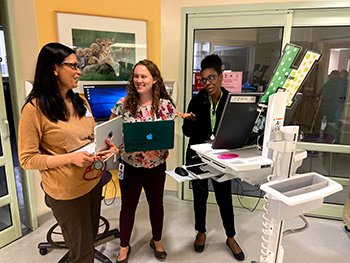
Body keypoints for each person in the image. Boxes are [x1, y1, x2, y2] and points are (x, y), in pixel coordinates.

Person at [18, 42, 118, 263]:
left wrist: (108, 146)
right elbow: (26, 159)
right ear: (54, 68)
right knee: (82, 254)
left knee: (88, 241)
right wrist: (71, 158)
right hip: (66, 191)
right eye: (72, 66)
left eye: (78, 65)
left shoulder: (80, 101)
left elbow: (92, 137)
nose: (79, 71)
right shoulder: (34, 109)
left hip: (92, 182)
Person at [110, 59, 177, 263]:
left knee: (156, 204)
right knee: (128, 207)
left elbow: (168, 133)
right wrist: (114, 144)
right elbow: (110, 133)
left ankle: (156, 241)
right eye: (136, 76)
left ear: (154, 79)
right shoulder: (123, 104)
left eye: (144, 76)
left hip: (156, 166)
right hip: (130, 166)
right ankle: (124, 246)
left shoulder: (165, 106)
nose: (139, 80)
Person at [182, 54, 245, 261]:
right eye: (204, 79)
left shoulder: (231, 101)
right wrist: (190, 121)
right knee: (200, 197)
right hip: (198, 157)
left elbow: (237, 130)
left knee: (224, 197)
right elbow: (187, 133)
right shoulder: (196, 100)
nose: (208, 83)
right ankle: (201, 232)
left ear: (221, 76)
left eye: (212, 77)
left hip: (221, 158)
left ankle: (230, 236)